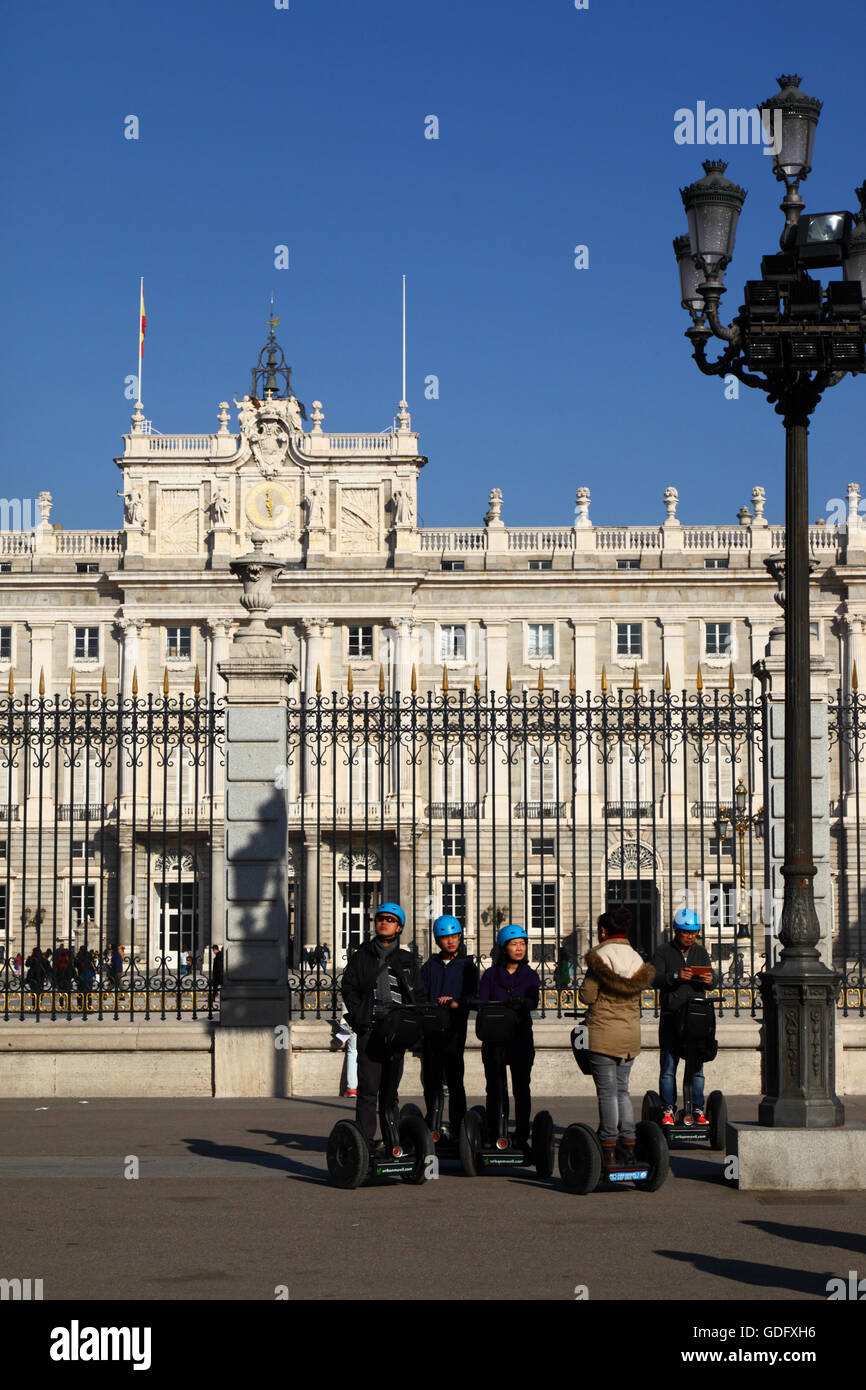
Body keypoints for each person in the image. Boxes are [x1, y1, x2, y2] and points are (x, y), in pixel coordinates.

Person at [339, 901, 427, 1148]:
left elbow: (418, 994)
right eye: (380, 918)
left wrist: (415, 1025)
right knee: (368, 1091)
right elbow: (349, 988)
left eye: (390, 919)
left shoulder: (408, 960)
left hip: (397, 1030)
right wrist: (360, 1018)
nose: (384, 922)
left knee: (390, 1093)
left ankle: (393, 1142)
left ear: (399, 928)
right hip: (371, 1029)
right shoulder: (363, 955)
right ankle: (365, 1144)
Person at [578, 906, 656, 1172]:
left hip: (602, 1034)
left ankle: (608, 1147)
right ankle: (630, 1142)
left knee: (607, 1092)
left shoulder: (600, 958)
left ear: (603, 930)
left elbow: (587, 997)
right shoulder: (636, 958)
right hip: (630, 1034)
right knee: (623, 1090)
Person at [477, 924, 540, 1154]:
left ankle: (521, 1135)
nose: (519, 948)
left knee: (522, 1088)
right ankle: (494, 1133)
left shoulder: (531, 974)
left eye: (522, 944)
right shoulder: (491, 975)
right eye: (514, 944)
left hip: (520, 1037)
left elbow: (534, 999)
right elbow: (482, 1000)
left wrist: (524, 1002)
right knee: (495, 1087)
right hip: (495, 1038)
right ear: (504, 948)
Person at [651, 907, 716, 1127]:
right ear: (676, 932)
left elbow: (712, 979)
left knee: (697, 1068)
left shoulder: (700, 952)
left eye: (694, 932)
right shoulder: (663, 952)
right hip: (672, 1016)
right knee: (669, 1066)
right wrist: (675, 976)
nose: (690, 936)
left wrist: (709, 980)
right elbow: (654, 978)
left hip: (695, 1017)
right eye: (686, 932)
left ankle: (697, 1108)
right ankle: (668, 1108)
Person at [420, 914, 479, 1134]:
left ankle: (458, 1125)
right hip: (432, 1028)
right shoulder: (429, 967)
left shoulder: (467, 967)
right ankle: (432, 1121)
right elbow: (421, 995)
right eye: (445, 937)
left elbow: (473, 997)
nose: (451, 941)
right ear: (437, 940)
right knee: (432, 1079)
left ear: (460, 937)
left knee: (455, 1078)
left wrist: (456, 1003)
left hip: (455, 1028)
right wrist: (432, 1002)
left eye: (454, 936)